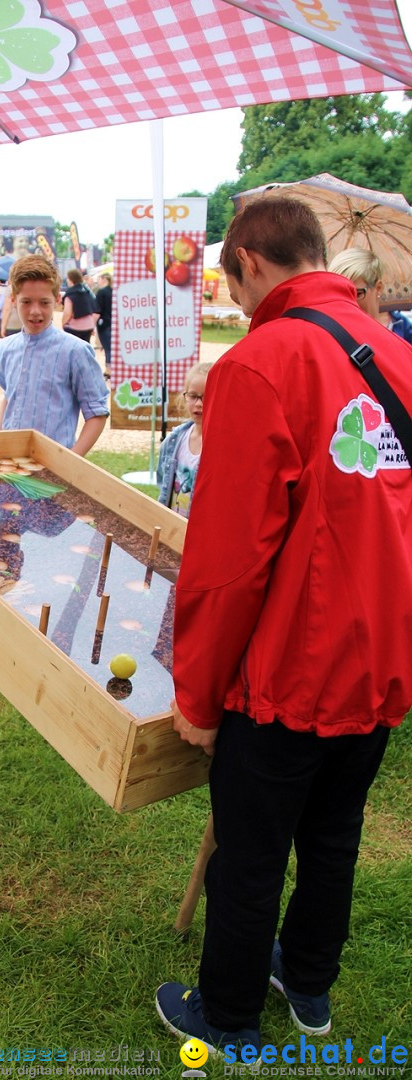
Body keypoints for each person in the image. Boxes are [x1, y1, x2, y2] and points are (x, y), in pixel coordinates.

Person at [155, 198, 411, 1059]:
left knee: (251, 854)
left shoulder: (259, 362)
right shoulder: (401, 357)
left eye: (231, 287)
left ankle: (226, 1017)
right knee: (334, 840)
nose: (235, 304)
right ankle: (307, 987)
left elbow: (229, 559)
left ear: (249, 265)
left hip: (289, 672)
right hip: (380, 661)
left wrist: (196, 694)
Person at [0, 255, 109, 455]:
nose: (35, 311)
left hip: (54, 467)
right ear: (13, 300)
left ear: (57, 301)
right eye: (26, 302)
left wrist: (70, 461)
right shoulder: (5, 349)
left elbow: (97, 413)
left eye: (44, 303)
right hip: (9, 464)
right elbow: (10, 395)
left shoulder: (75, 351)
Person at [156, 361, 214, 516]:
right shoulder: (174, 440)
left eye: (206, 397)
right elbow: (162, 481)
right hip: (171, 529)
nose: (199, 404)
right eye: (193, 396)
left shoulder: (221, 447)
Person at [328, 248, 412, 344]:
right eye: (340, 293)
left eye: (358, 294)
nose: (348, 302)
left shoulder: (402, 328)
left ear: (378, 288)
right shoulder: (329, 334)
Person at [61, 267, 98, 342]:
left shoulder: (70, 294)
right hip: (89, 326)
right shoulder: (87, 291)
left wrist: (63, 323)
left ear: (71, 279)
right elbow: (95, 308)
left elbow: (67, 313)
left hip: (75, 327)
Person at [95, 273, 113, 377]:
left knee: (107, 348)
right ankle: (111, 368)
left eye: (99, 279)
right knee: (111, 348)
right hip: (113, 323)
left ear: (104, 279)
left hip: (104, 324)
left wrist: (92, 324)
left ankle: (108, 369)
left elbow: (97, 311)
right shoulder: (112, 291)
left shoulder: (101, 293)